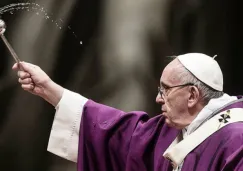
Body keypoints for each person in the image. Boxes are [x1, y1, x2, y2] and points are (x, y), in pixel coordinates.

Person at [12, 53, 243, 171]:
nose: (158, 98)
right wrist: (50, 90)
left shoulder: (236, 140)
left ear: (192, 95)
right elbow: (118, 135)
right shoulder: (175, 128)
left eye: (165, 90)